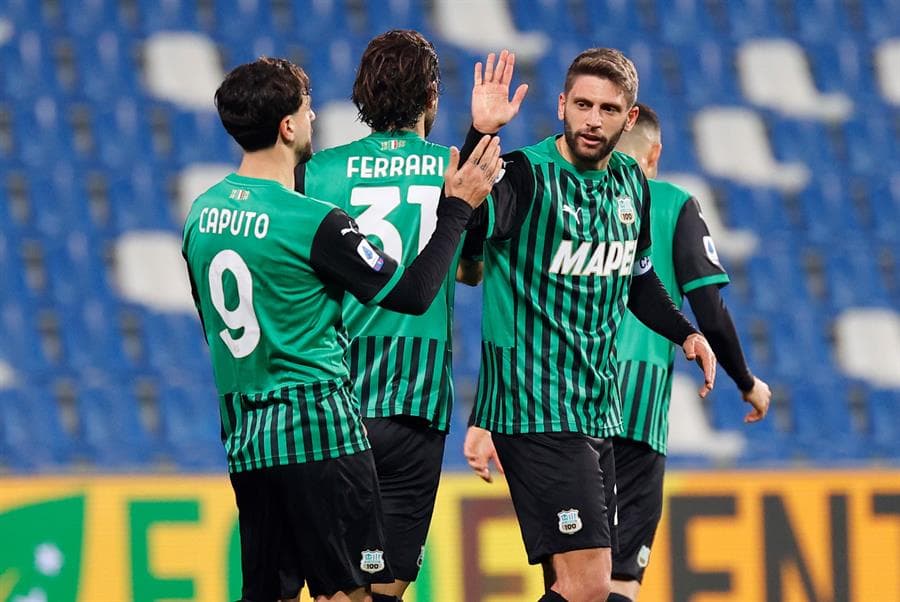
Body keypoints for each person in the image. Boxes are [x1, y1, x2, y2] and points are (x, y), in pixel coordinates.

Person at [181, 56, 501, 602]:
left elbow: (211, 319)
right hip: (319, 425)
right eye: (305, 110)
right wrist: (455, 210)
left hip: (246, 437)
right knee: (352, 593)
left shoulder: (201, 213)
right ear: (287, 126)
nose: (312, 118)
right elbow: (412, 293)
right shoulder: (312, 222)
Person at [461, 49, 717, 602]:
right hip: (534, 405)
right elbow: (472, 218)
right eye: (582, 104)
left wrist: (686, 334)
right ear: (561, 105)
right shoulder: (527, 175)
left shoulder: (630, 182)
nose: (592, 119)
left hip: (595, 407)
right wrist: (479, 134)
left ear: (629, 119)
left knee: (572, 583)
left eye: (607, 108)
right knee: (592, 580)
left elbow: (639, 278)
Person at [294, 29, 476, 600]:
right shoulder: (452, 168)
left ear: (363, 96)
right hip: (417, 405)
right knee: (386, 590)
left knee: (335, 589)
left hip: (338, 402)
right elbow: (469, 271)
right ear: (432, 96)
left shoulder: (316, 172)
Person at [608, 103, 772, 602]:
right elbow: (709, 309)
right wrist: (746, 381)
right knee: (617, 578)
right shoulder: (674, 203)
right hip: (634, 412)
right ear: (653, 155)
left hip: (564, 405)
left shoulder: (564, 195)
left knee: (570, 572)